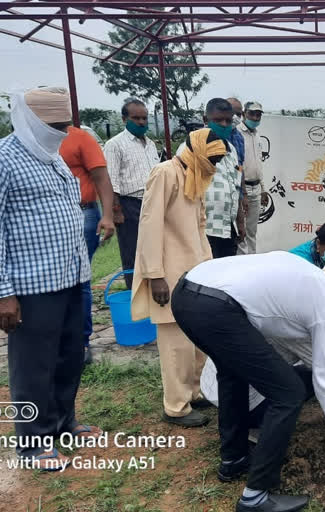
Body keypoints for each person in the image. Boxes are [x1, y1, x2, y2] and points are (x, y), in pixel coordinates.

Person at [171, 254, 325, 512]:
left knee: (232, 374)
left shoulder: (304, 274)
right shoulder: (324, 306)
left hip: (186, 294)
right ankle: (254, 496)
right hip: (216, 306)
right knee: (289, 393)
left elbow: (292, 336)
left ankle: (234, 459)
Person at [0, 87, 102, 471]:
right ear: (30, 120)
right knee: (33, 366)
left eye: (65, 125)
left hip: (72, 276)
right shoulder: (5, 158)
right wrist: (3, 293)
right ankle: (31, 444)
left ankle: (62, 421)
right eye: (55, 126)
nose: (62, 132)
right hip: (30, 285)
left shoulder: (53, 157)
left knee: (70, 354)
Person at [132, 128, 228, 428]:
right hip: (167, 273)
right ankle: (176, 407)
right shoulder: (165, 172)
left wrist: (209, 268)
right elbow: (149, 225)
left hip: (194, 271)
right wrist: (155, 276)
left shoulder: (196, 173)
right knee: (175, 344)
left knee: (196, 338)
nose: (215, 165)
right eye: (212, 158)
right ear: (198, 151)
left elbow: (200, 227)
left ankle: (195, 392)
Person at [59, 125, 116, 364]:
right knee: (51, 282)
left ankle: (81, 344)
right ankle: (56, 339)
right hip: (43, 218)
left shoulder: (80, 138)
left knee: (79, 279)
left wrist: (108, 215)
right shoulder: (24, 141)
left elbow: (101, 177)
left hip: (82, 213)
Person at [177, 98, 245, 258]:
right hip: (204, 228)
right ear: (205, 120)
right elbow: (180, 189)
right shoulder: (190, 148)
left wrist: (240, 221)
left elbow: (236, 188)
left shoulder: (232, 150)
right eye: (218, 120)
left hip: (229, 228)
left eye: (228, 120)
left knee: (225, 278)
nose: (223, 124)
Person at [104, 98, 161, 289]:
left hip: (153, 203)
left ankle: (153, 289)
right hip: (129, 204)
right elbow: (111, 181)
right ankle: (135, 292)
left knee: (154, 249)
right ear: (124, 119)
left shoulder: (151, 144)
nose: (141, 122)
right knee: (133, 252)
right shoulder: (115, 145)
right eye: (136, 118)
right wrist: (116, 210)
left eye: (144, 118)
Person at [236, 100, 269, 255]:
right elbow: (237, 165)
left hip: (256, 188)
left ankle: (252, 261)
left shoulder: (257, 135)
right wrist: (242, 194)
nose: (255, 118)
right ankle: (242, 264)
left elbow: (259, 165)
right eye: (252, 114)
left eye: (258, 114)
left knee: (252, 231)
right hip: (243, 188)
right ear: (244, 114)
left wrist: (263, 188)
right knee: (241, 230)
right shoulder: (237, 133)